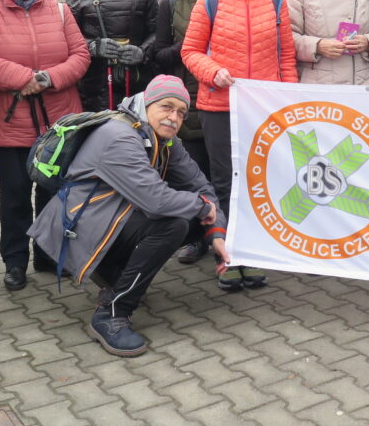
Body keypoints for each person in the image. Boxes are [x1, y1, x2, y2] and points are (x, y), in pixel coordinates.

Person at [29, 76, 231, 357]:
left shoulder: (162, 138)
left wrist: (216, 234)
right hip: (78, 229)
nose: (174, 118)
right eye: (166, 107)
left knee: (192, 218)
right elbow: (157, 201)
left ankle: (116, 277)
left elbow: (201, 186)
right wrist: (202, 206)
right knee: (173, 223)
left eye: (181, 113)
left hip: (108, 218)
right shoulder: (119, 136)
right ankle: (111, 314)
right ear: (147, 103)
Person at [0, 0, 90, 291]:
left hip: (58, 122)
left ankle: (49, 256)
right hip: (11, 124)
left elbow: (80, 55)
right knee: (15, 196)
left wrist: (50, 78)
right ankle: (15, 261)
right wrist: (24, 78)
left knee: (54, 194)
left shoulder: (61, 12)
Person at [182, 0, 298, 290]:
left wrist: (288, 97)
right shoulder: (210, 0)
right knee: (222, 181)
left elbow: (286, 55)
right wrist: (213, 72)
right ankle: (227, 254)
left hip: (261, 109)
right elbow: (190, 52)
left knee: (256, 179)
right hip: (219, 105)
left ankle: (254, 252)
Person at [153, 0, 221, 264]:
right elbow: (159, 53)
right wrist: (193, 46)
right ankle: (197, 238)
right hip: (189, 99)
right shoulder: (168, 1)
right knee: (193, 172)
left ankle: (225, 233)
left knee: (223, 171)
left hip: (224, 93)